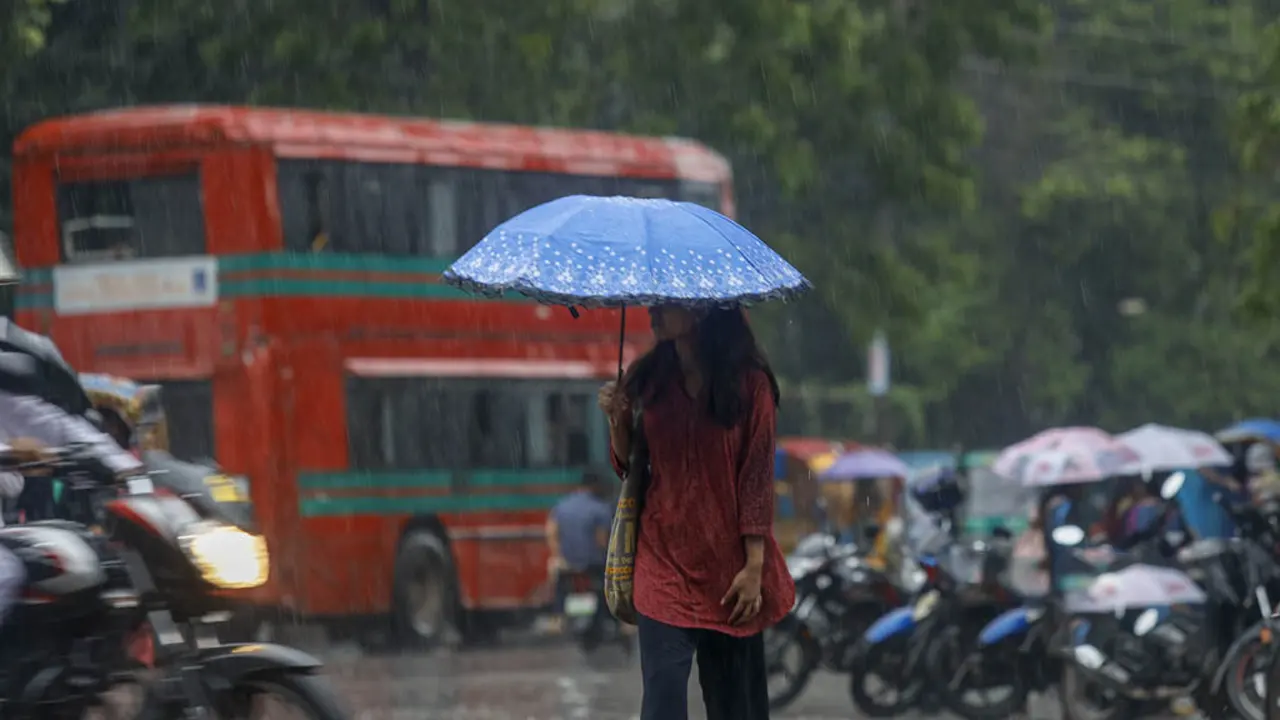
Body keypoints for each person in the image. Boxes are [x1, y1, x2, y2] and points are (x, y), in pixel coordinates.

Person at [599, 305, 793, 720]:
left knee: (734, 707)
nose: (653, 309)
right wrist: (618, 424)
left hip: (730, 574)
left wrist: (754, 566)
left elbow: (756, 478)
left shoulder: (751, 386)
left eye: (668, 303)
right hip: (661, 564)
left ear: (703, 310)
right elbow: (630, 466)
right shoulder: (650, 381)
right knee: (662, 703)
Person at [545, 470, 614, 632]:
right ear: (596, 486)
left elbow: (551, 533)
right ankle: (614, 620)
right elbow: (602, 541)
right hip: (593, 563)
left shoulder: (561, 506)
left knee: (560, 584)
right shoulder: (601, 508)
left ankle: (558, 615)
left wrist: (558, 555)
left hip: (567, 564)